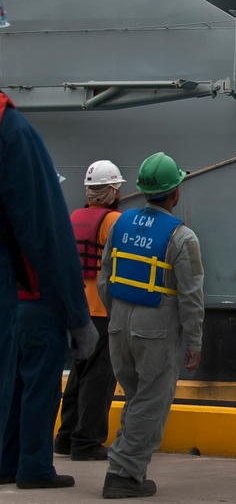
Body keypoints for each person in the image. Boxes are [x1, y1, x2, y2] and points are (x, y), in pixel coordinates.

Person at [0, 91, 98, 489]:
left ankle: (9, 462)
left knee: (19, 387)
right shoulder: (13, 134)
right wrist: (78, 318)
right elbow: (48, 242)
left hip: (21, 310)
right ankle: (35, 467)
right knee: (40, 389)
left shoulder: (79, 216)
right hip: (41, 306)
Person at [98, 152, 204, 498]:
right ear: (175, 193)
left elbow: (104, 280)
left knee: (135, 397)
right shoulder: (182, 237)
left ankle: (127, 467)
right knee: (152, 401)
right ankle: (123, 474)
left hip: (119, 323)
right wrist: (194, 341)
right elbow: (190, 296)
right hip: (155, 329)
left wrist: (116, 316)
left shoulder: (121, 224)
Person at [54, 161, 127, 462]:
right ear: (112, 191)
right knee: (100, 377)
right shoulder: (113, 222)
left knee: (77, 375)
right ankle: (87, 441)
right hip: (102, 309)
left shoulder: (74, 216)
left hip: (76, 308)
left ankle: (65, 437)